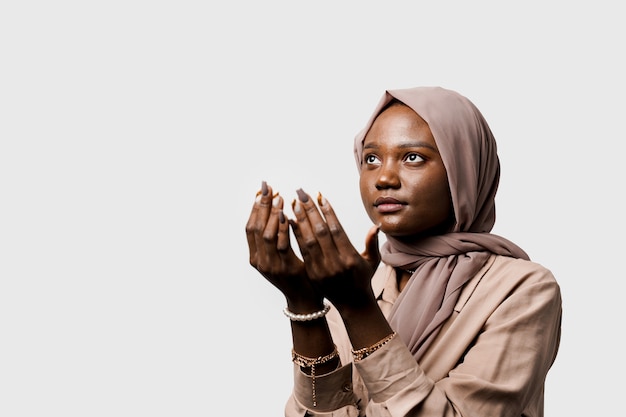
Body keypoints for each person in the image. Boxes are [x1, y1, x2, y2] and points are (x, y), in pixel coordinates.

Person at [245, 86, 562, 417]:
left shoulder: (522, 289)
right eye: (371, 158)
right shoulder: (361, 278)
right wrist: (304, 304)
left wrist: (358, 308)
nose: (383, 177)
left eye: (413, 157)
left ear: (464, 171)